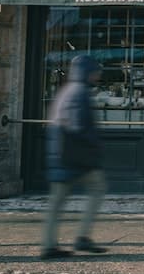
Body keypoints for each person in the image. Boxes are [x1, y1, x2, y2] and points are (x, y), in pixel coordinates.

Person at [40, 54, 108, 260]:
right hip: (77, 158)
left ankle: (50, 245)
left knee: (56, 203)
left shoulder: (67, 91)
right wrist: (95, 145)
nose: (97, 75)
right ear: (88, 72)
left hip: (62, 156)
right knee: (97, 189)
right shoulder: (80, 93)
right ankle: (82, 237)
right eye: (95, 71)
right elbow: (78, 126)